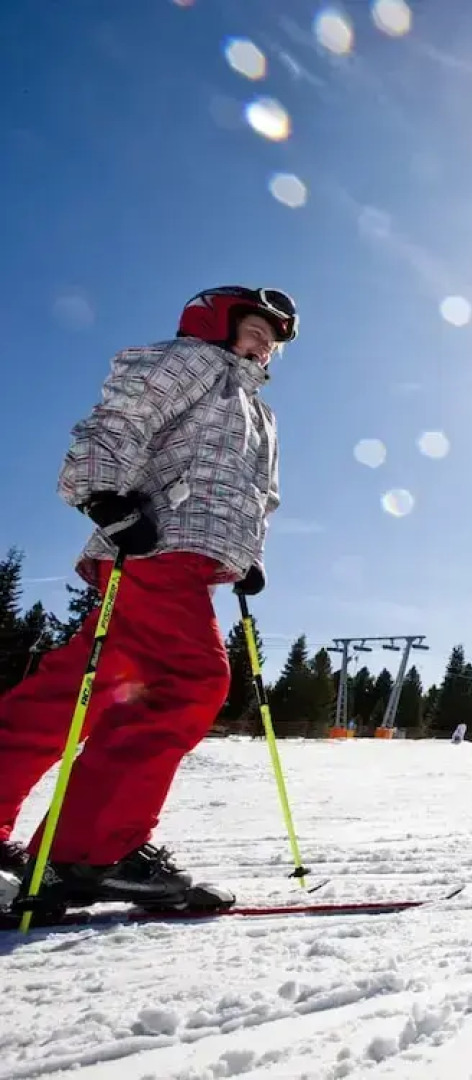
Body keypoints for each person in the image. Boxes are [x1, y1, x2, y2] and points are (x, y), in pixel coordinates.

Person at [0, 285, 296, 906]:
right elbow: (121, 419)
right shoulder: (192, 363)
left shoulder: (260, 414)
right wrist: (103, 495)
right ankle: (87, 852)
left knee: (75, 690)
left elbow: (260, 496)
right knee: (186, 680)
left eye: (272, 342)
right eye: (255, 330)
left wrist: (250, 559)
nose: (264, 347)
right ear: (215, 322)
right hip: (156, 543)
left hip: (184, 556)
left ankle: (75, 844)